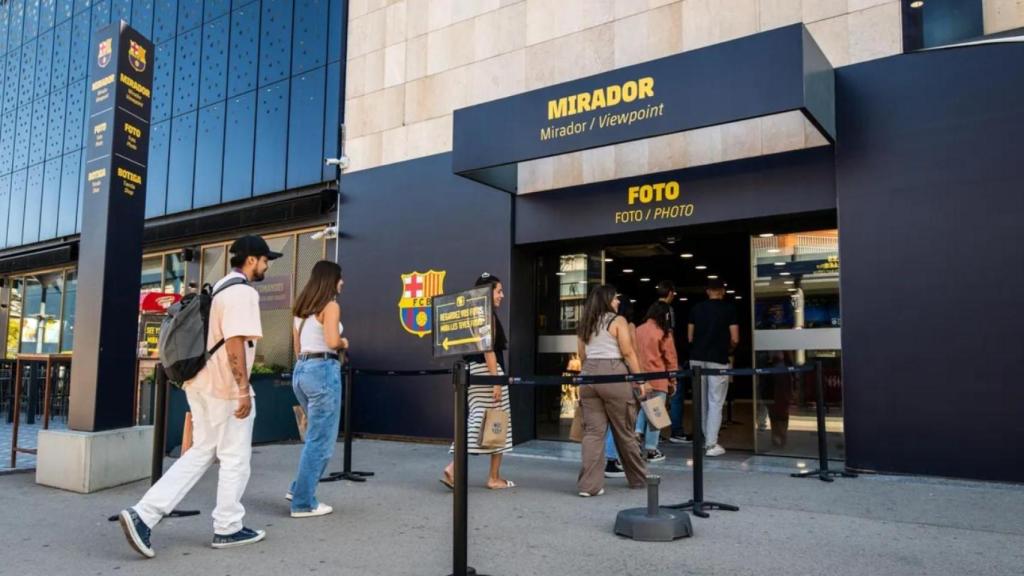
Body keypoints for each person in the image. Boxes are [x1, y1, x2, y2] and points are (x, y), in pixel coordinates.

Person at [119, 235, 280, 558]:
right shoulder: (241, 293)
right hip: (224, 388)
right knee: (235, 458)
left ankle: (144, 514)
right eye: (265, 260)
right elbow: (235, 343)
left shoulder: (219, 287)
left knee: (201, 452)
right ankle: (228, 527)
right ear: (251, 260)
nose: (266, 266)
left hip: (200, 382)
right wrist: (242, 389)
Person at [287, 260, 349, 518]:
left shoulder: (301, 310)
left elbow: (297, 348)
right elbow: (333, 341)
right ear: (331, 280)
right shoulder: (331, 305)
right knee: (321, 441)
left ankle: (297, 489)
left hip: (301, 372)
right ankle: (303, 502)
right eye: (340, 277)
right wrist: (345, 341)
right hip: (322, 371)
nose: (343, 282)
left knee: (315, 436)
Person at [442, 273, 514, 490]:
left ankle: (488, 474)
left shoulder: (473, 315)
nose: (502, 295)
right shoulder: (486, 316)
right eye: (499, 291)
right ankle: (489, 476)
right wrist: (496, 381)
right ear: (487, 292)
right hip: (488, 372)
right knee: (497, 422)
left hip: (475, 371)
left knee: (478, 421)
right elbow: (488, 349)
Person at [577, 285, 646, 497]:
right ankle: (639, 479)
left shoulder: (585, 323)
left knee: (593, 433)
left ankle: (589, 487)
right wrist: (640, 380)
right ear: (608, 300)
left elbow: (582, 355)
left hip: (588, 375)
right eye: (616, 298)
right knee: (624, 430)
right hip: (614, 373)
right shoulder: (617, 321)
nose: (618, 302)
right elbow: (627, 352)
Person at [688, 278, 739, 457]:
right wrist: (729, 348)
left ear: (707, 291)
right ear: (722, 292)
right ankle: (711, 444)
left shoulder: (696, 309)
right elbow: (735, 337)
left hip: (696, 360)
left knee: (700, 401)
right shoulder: (729, 309)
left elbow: (690, 337)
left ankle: (704, 439)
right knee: (715, 401)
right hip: (718, 359)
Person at [634, 301, 679, 463]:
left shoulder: (637, 330)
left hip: (638, 378)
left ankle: (637, 431)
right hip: (658, 378)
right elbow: (670, 358)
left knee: (645, 407)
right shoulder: (663, 332)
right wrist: (673, 381)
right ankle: (652, 450)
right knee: (656, 413)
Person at [603, 298, 636, 478]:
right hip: (622, 375)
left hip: (598, 376)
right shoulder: (623, 324)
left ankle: (607, 460)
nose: (616, 301)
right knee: (622, 420)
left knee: (604, 422)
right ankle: (613, 460)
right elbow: (631, 352)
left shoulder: (596, 323)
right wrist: (640, 377)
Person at [658, 280, 691, 445]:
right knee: (676, 396)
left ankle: (652, 434)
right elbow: (668, 338)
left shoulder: (651, 310)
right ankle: (676, 431)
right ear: (670, 293)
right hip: (666, 360)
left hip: (654, 362)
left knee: (655, 399)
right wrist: (674, 361)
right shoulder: (667, 310)